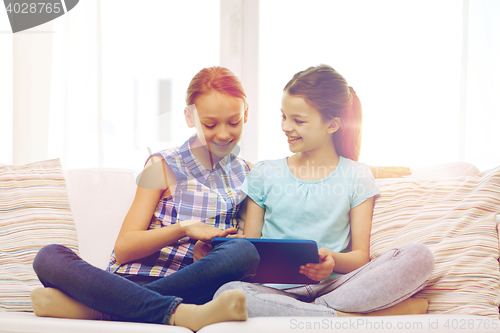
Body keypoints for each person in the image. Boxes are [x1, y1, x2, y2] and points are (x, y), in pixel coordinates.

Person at [31, 66, 261, 331]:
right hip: (127, 282)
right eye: (209, 124)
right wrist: (184, 228)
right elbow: (125, 248)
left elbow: (243, 249)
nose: (223, 134)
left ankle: (102, 308)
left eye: (234, 122)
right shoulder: (161, 165)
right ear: (189, 117)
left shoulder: (249, 174)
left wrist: (210, 253)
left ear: (246, 114)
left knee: (245, 252)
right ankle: (179, 314)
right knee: (48, 256)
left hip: (187, 284)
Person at [214, 64, 435, 318]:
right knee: (229, 293)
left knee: (419, 256)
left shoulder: (356, 175)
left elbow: (361, 257)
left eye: (298, 120)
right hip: (274, 291)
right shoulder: (264, 173)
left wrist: (332, 259)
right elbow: (252, 250)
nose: (286, 127)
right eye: (283, 116)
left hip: (336, 286)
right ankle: (339, 318)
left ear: (332, 125)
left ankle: (311, 312)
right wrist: (227, 248)